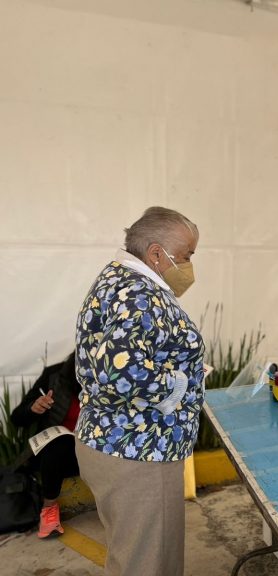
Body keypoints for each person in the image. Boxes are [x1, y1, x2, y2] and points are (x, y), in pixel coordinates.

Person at [73, 206, 204, 575]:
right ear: (156, 253)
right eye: (187, 256)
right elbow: (121, 368)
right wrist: (178, 385)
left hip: (125, 443)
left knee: (144, 557)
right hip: (137, 450)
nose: (190, 265)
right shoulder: (137, 293)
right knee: (145, 565)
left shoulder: (121, 281)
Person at [10, 352, 80, 538]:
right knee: (60, 442)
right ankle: (49, 508)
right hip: (61, 455)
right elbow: (17, 417)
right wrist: (33, 407)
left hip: (94, 450)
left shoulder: (112, 379)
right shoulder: (54, 375)